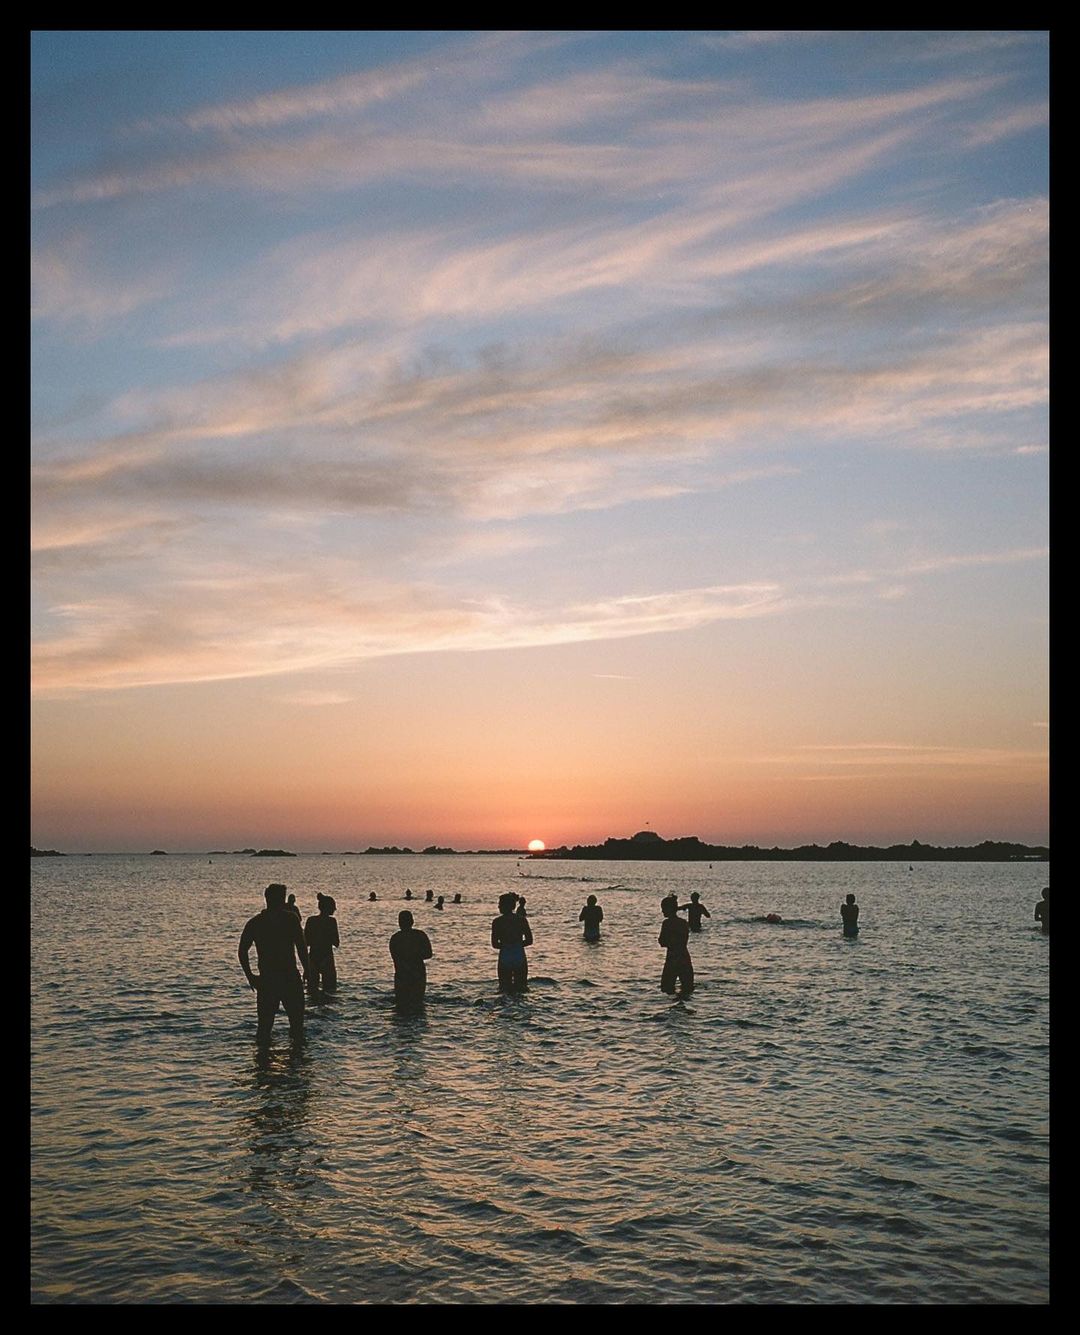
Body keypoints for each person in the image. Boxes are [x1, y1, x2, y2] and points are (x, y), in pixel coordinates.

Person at [238, 884, 309, 1048]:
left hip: (269, 979)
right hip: (287, 977)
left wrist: (250, 976)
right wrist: (307, 970)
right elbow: (301, 947)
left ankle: (263, 1060)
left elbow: (242, 951)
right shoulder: (290, 920)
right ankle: (296, 1058)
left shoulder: (256, 923)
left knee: (265, 1028)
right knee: (296, 1027)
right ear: (281, 900)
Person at [389, 910, 433, 1007]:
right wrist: (415, 955)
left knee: (401, 1005)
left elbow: (395, 957)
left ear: (399, 923)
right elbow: (428, 954)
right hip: (418, 975)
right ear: (412, 921)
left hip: (402, 975)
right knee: (418, 1004)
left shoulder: (395, 938)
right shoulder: (420, 935)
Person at [492, 891, 533, 993]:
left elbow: (494, 944)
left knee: (504, 988)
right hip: (519, 954)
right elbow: (529, 940)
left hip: (505, 955)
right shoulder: (522, 920)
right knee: (522, 988)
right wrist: (517, 945)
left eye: (500, 904)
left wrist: (506, 946)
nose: (498, 906)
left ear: (504, 906)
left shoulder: (497, 922)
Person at [305, 893, 340, 996]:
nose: (335, 909)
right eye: (333, 907)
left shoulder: (311, 920)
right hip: (326, 957)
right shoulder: (331, 921)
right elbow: (336, 943)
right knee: (330, 992)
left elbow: (306, 942)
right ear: (329, 908)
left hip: (312, 958)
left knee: (312, 992)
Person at [658, 894, 693, 996]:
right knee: (687, 990)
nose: (662, 911)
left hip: (672, 958)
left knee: (666, 988)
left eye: (663, 908)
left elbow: (662, 942)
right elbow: (684, 940)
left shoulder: (667, 923)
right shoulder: (684, 922)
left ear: (669, 909)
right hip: (684, 957)